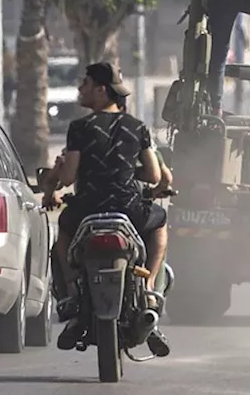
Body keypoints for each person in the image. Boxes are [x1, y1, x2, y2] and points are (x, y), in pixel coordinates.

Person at [41, 62, 169, 355]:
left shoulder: (79, 128)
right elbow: (154, 177)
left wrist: (57, 176)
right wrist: (125, 171)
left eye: (85, 84)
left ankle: (72, 297)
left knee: (62, 240)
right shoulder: (137, 127)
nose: (79, 89)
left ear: (101, 90)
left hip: (87, 210)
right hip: (130, 209)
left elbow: (70, 177)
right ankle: (149, 289)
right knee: (160, 227)